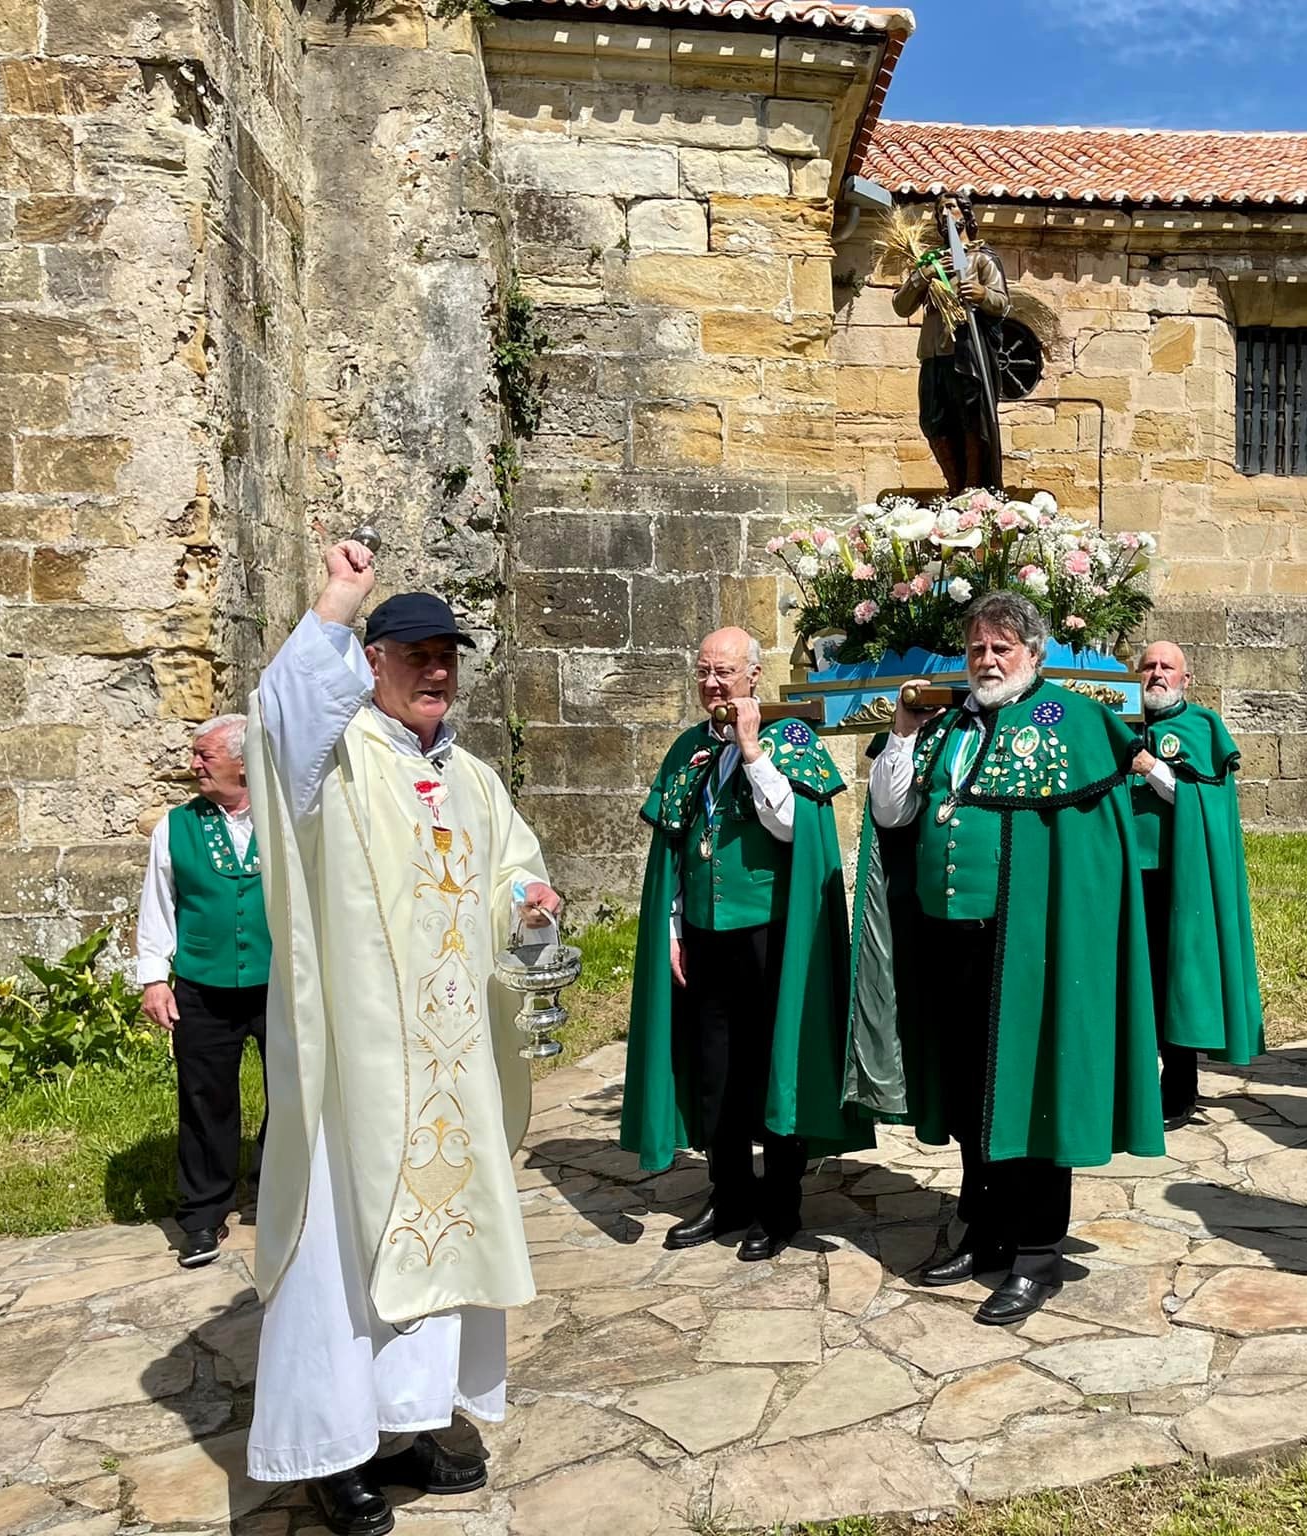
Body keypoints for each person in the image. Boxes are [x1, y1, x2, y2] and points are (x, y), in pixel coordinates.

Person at [242, 541, 561, 1536]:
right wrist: (337, 602)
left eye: (447, 655)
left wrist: (532, 904)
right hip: (358, 1072)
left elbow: (514, 875)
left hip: (452, 1070)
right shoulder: (330, 764)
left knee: (443, 1254)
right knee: (341, 1259)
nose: (435, 669)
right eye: (414, 652)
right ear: (370, 663)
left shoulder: (468, 777)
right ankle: (330, 1451)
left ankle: (409, 1422)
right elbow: (281, 713)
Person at [848, 592, 1163, 1325]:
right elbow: (893, 812)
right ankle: (984, 1230)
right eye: (977, 648)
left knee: (1031, 1091)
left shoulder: (1074, 723)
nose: (987, 661)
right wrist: (899, 734)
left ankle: (1034, 1253)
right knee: (967, 1092)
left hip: (1030, 946)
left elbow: (1089, 857)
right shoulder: (947, 725)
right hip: (946, 940)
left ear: (1035, 653)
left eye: (1002, 648)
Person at [620, 628, 864, 1261]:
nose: (712, 683)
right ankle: (728, 1193)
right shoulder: (688, 747)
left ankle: (779, 1205)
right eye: (703, 671)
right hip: (703, 932)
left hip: (769, 930)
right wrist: (673, 928)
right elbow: (676, 849)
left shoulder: (791, 740)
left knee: (770, 1063)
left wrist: (754, 752)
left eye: (724, 672)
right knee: (714, 1067)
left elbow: (791, 828)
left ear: (754, 675)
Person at [136, 714, 270, 1270]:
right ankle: (201, 1214)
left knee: (294, 1089)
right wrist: (153, 977)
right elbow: (158, 905)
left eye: (205, 756)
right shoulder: (175, 827)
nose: (194, 765)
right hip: (202, 985)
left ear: (244, 762)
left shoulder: (286, 818)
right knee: (203, 1099)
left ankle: (277, 1189)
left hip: (277, 985)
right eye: (196, 755)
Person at [1129, 641, 1265, 1123]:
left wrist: (1151, 768)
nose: (1157, 674)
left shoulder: (1201, 726)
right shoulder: (1118, 724)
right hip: (1122, 873)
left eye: (1168, 667)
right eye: (1148, 666)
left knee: (1175, 975)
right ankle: (1130, 1082)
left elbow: (1202, 800)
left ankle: (1179, 1085)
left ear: (1187, 678)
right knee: (1130, 978)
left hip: (1178, 876)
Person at [893, 192, 1009, 492]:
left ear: (966, 215)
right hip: (934, 351)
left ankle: (973, 487)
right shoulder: (930, 262)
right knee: (933, 420)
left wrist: (983, 295)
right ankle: (954, 485)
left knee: (971, 417)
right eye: (941, 209)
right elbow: (901, 306)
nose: (946, 213)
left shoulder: (982, 259)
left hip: (966, 349)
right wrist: (924, 275)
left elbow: (1001, 302)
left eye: (952, 207)